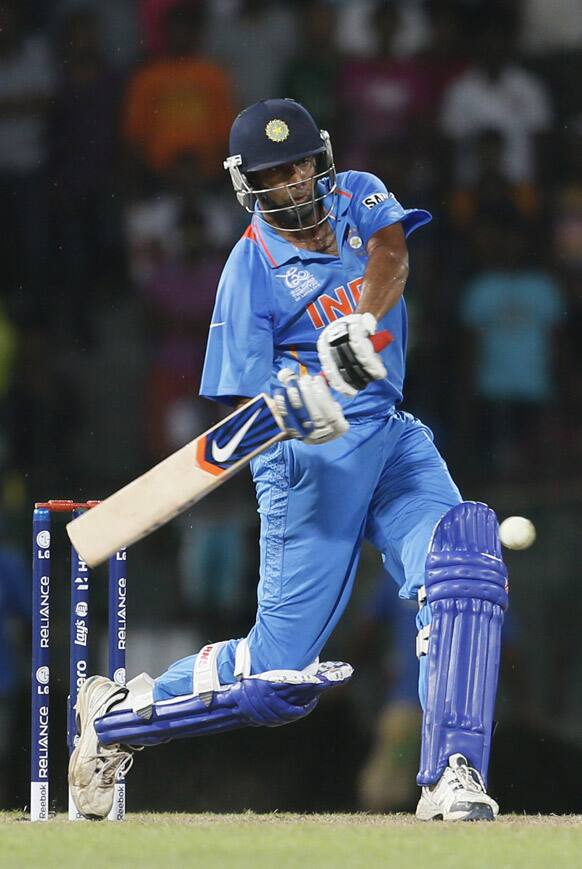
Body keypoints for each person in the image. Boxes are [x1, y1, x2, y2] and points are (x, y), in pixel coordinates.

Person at [68, 98, 508, 822]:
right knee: (275, 675)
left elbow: (392, 254)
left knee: (462, 566)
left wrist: (361, 324)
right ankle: (117, 716)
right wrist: (300, 408)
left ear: (321, 159)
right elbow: (238, 419)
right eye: (274, 175)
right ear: (250, 184)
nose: (294, 182)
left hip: (391, 438)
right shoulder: (249, 268)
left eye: (301, 163)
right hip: (310, 463)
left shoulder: (357, 194)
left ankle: (453, 774)